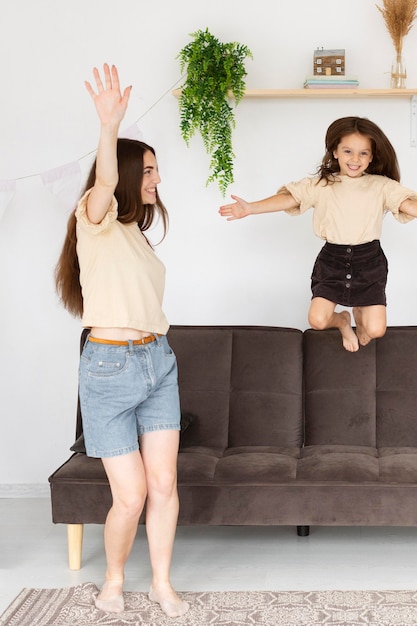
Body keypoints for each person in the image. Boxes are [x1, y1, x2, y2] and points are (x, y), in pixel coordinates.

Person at [54, 64, 189, 618]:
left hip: (158, 362)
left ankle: (160, 581)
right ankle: (112, 580)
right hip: (108, 368)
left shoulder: (134, 234)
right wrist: (109, 127)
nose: (157, 180)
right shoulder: (98, 218)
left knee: (164, 483)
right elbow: (105, 184)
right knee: (129, 496)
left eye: (158, 170)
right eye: (150, 170)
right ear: (131, 171)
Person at [219, 116, 417, 352]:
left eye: (363, 153)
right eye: (348, 151)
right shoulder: (322, 184)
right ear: (335, 152)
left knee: (376, 330)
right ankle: (344, 321)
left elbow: (407, 204)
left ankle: (361, 315)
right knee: (317, 320)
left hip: (370, 260)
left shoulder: (381, 186)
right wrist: (251, 208)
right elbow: (289, 198)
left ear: (371, 157)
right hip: (332, 259)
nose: (355, 159)